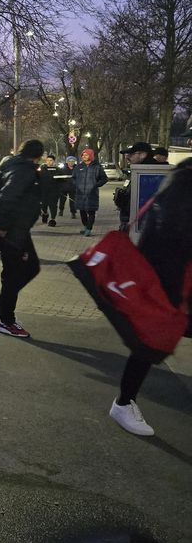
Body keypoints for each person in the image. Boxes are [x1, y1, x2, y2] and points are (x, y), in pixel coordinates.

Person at [108, 159, 192, 436]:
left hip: (171, 277)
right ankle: (123, 402)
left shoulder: (179, 177)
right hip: (171, 279)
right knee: (150, 341)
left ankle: (124, 401)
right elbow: (174, 232)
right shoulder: (184, 182)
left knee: (151, 342)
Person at [0, 139, 45, 338]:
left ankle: (1, 304)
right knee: (13, 273)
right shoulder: (23, 170)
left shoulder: (15, 166)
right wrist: (1, 227)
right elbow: (8, 197)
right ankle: (6, 320)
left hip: (16, 228)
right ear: (38, 155)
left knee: (29, 267)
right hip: (10, 228)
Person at [116, 141, 160, 231]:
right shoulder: (136, 171)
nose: (127, 156)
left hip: (139, 226)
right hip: (132, 222)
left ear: (143, 155)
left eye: (131, 154)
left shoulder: (150, 174)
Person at [71, 148, 108, 236]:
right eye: (83, 155)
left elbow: (104, 179)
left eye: (86, 155)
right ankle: (85, 226)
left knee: (91, 211)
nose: (84, 157)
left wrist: (95, 185)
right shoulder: (78, 167)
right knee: (82, 211)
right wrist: (77, 184)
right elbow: (73, 178)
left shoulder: (97, 167)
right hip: (80, 193)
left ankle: (89, 228)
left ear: (91, 156)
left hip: (92, 193)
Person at [37, 154, 60, 227]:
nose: (49, 162)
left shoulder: (57, 169)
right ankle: (45, 213)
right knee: (43, 206)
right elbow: (37, 178)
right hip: (43, 191)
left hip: (54, 191)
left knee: (53, 206)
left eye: (51, 160)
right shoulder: (42, 169)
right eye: (47, 160)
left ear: (54, 161)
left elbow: (62, 179)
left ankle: (52, 219)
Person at [55, 155, 76, 220]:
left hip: (73, 188)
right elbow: (58, 178)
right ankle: (61, 210)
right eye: (70, 161)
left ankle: (73, 213)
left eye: (73, 161)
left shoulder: (77, 168)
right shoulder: (62, 169)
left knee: (73, 201)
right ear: (67, 162)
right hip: (63, 188)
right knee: (62, 200)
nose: (71, 162)